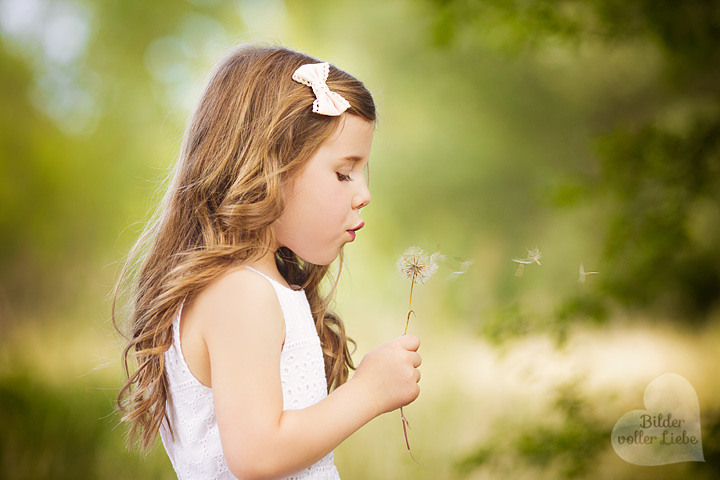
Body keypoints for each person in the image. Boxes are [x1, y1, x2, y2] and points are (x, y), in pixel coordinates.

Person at [114, 44, 422, 480]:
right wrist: (368, 392)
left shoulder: (259, 288)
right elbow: (257, 453)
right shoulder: (240, 294)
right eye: (343, 172)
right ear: (269, 167)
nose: (363, 193)